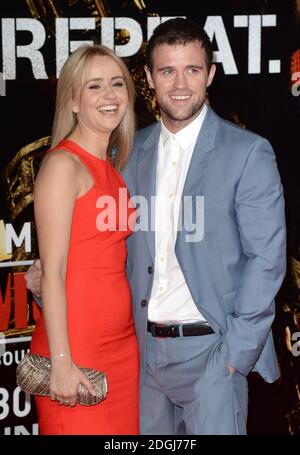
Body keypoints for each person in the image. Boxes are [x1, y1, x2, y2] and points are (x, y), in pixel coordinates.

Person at [26, 18, 286, 435]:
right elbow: (101, 252)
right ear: (148, 78)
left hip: (212, 356)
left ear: (211, 75)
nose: (180, 83)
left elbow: (267, 261)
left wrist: (233, 357)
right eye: (167, 70)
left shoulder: (248, 153)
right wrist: (44, 288)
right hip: (140, 357)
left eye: (192, 70)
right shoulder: (126, 154)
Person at [27, 44, 139, 435]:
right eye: (94, 87)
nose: (110, 96)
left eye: (117, 84)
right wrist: (60, 360)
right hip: (75, 351)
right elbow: (54, 272)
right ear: (73, 100)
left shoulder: (112, 168)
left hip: (123, 351)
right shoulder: (62, 165)